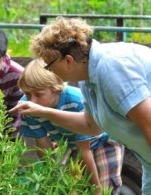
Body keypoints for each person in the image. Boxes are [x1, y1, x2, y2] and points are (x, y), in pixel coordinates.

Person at [9, 17, 151, 194]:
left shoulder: (111, 68)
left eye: (49, 66)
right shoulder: (88, 79)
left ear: (68, 60)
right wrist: (43, 112)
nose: (49, 71)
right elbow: (91, 127)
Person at [18, 59, 124, 194]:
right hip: (71, 145)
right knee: (73, 187)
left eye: (39, 94)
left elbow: (83, 150)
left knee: (105, 187)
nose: (32, 101)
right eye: (27, 94)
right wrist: (53, 180)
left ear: (56, 89)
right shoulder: (27, 106)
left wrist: (97, 190)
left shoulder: (76, 102)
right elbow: (43, 145)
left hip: (102, 141)